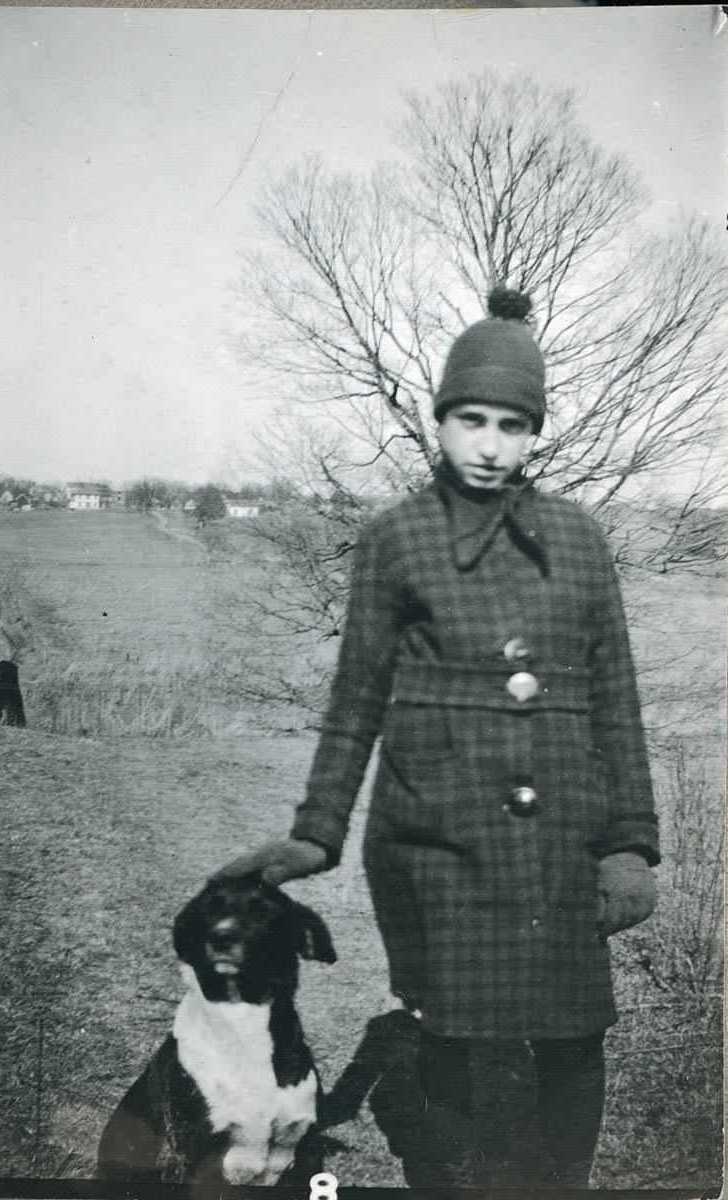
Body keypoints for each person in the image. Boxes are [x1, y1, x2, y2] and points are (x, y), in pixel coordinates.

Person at [217, 287, 659, 1187]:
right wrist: (316, 832)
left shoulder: (580, 541)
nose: (490, 445)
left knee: (575, 1036)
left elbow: (616, 699)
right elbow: (356, 697)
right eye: (471, 420)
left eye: (511, 425)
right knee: (449, 1038)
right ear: (441, 421)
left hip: (561, 839)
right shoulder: (396, 539)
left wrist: (630, 843)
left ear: (534, 434)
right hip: (435, 838)